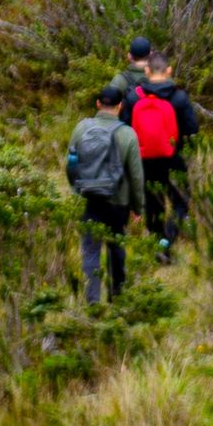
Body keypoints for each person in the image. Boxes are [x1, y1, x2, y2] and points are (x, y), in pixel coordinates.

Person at [65, 80, 144, 305]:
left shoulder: (81, 128)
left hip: (90, 198)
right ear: (121, 106)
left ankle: (92, 300)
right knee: (116, 248)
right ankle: (116, 297)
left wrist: (77, 187)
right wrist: (137, 208)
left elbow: (70, 163)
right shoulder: (127, 134)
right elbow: (136, 176)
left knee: (90, 251)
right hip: (118, 201)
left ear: (98, 103)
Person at [131, 52, 199, 258]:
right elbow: (192, 129)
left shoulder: (134, 97)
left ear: (146, 71)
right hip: (173, 158)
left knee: (153, 203)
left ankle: (157, 241)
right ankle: (166, 242)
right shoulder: (179, 98)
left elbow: (125, 129)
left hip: (145, 159)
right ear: (169, 71)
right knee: (180, 202)